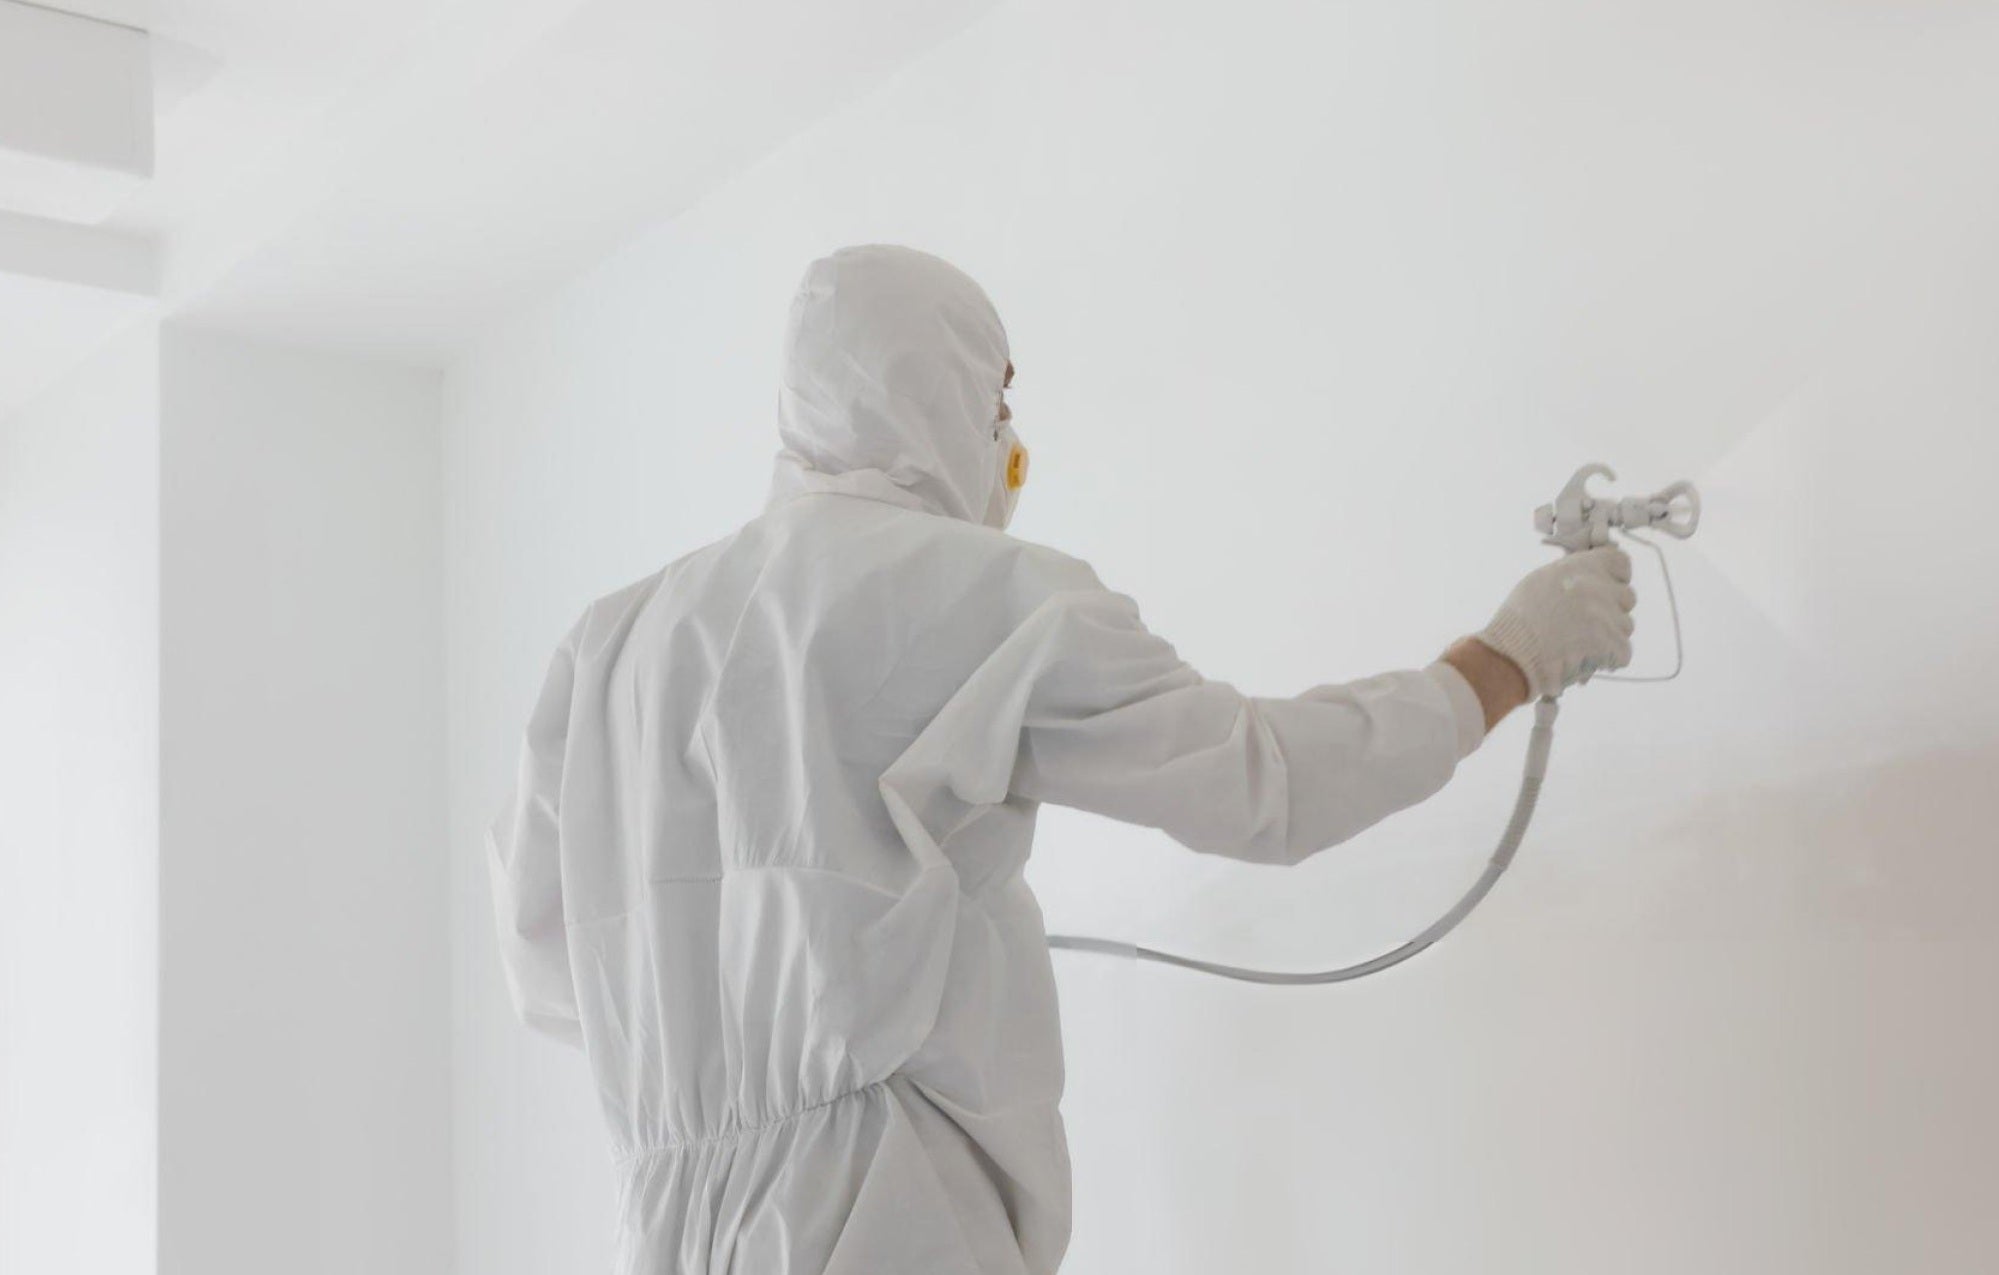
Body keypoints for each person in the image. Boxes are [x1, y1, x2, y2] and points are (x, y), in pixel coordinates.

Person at [487, 244, 1635, 1274]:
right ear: (934, 388)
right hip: (893, 1219)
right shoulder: (979, 592)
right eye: (995, 399)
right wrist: (1508, 657)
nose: (1006, 441)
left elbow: (548, 971)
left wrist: (757, 1000)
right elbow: (1265, 787)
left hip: (660, 1230)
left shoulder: (612, 645)